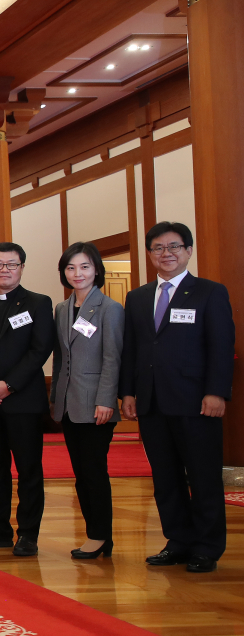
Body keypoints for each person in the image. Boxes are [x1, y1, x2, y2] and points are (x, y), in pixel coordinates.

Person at [121, 221, 234, 574]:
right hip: (152, 403)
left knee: (202, 477)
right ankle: (178, 540)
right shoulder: (137, 297)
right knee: (165, 478)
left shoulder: (209, 292)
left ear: (188, 250)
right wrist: (127, 391)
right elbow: (132, 350)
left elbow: (221, 346)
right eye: (158, 248)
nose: (166, 253)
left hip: (196, 402)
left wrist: (217, 392)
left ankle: (207, 547)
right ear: (150, 253)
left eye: (173, 247)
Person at [0, 243, 54, 557]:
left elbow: (40, 350)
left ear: (21, 268)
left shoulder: (39, 303)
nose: (5, 269)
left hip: (23, 402)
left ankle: (28, 533)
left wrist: (9, 385)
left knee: (29, 468)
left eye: (12, 264)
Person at [51, 242, 123, 559]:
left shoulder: (110, 309)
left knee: (94, 471)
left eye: (84, 267)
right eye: (71, 267)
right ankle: (94, 534)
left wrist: (107, 399)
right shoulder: (62, 309)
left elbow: (113, 358)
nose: (77, 273)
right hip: (68, 403)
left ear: (96, 270)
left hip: (97, 404)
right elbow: (60, 358)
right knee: (80, 473)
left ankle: (100, 536)